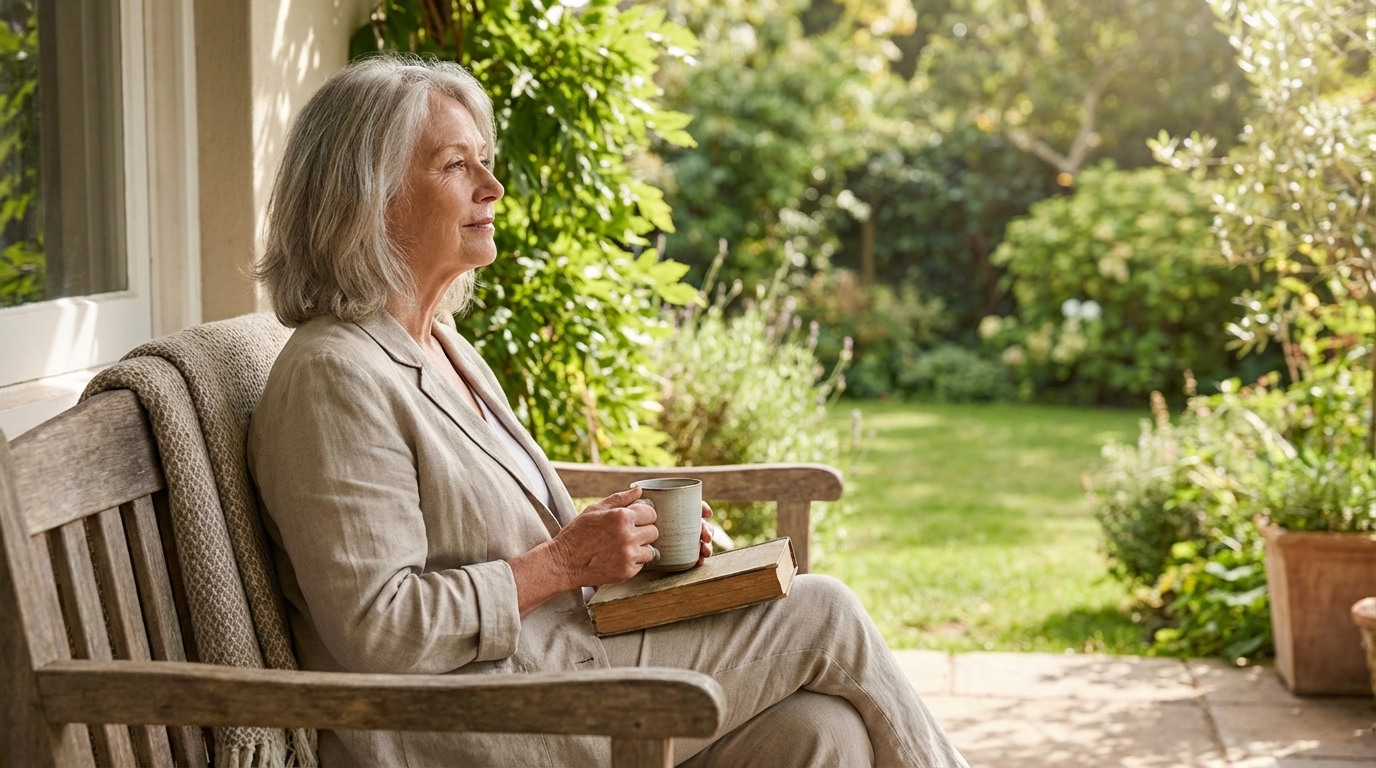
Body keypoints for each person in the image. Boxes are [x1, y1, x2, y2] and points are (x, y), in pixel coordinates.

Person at [247, 54, 968, 768]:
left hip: (557, 668)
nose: (492, 187)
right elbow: (381, 628)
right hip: (469, 720)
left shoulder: (441, 345)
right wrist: (561, 563)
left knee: (821, 731)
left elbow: (509, 545)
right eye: (455, 166)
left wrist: (625, 543)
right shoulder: (333, 376)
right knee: (824, 613)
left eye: (485, 162)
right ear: (369, 199)